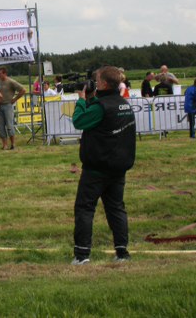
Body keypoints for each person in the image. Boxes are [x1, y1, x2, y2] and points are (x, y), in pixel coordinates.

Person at [71, 66, 136, 265]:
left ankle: (82, 254)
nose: (95, 83)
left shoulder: (101, 106)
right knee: (116, 208)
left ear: (105, 84)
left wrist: (81, 99)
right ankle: (122, 251)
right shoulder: (123, 103)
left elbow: (79, 121)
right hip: (119, 165)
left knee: (85, 208)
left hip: (97, 167)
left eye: (97, 81)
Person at [0, 66, 26, 150]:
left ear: (5, 73)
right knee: (0, 126)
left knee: (9, 126)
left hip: (7, 105)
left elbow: (23, 90)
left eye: (0, 74)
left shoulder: (11, 82)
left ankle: (13, 144)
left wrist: (15, 99)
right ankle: (4, 145)